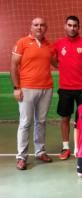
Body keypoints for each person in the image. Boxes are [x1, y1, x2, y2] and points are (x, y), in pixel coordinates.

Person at [11, 17, 54, 170]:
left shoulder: (49, 45)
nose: (39, 27)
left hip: (46, 88)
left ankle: (40, 151)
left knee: (41, 121)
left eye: (42, 25)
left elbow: (57, 62)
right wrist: (16, 88)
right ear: (31, 27)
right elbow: (13, 65)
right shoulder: (22, 42)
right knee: (25, 123)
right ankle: (21, 157)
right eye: (36, 25)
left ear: (46, 28)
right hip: (27, 88)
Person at [53, 16, 82, 160]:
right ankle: (66, 147)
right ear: (65, 26)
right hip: (65, 88)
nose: (72, 28)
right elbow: (51, 59)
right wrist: (61, 67)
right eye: (70, 25)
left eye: (75, 26)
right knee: (65, 117)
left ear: (79, 27)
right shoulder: (59, 44)